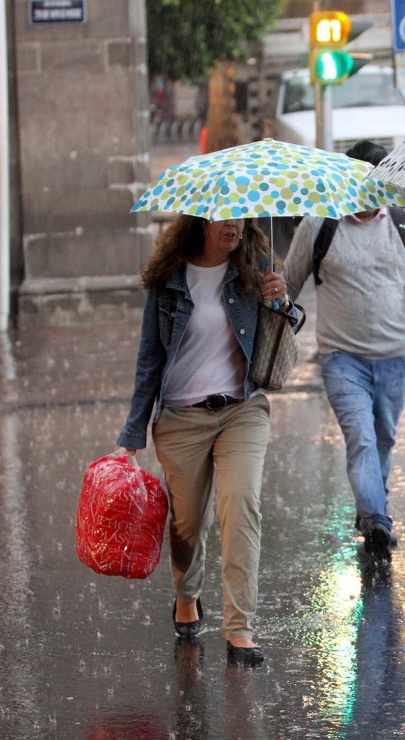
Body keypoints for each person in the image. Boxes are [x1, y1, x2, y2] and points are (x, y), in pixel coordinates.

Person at [116, 215, 300, 666]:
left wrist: (283, 303)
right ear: (201, 222)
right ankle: (187, 593)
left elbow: (286, 329)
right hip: (181, 418)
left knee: (241, 506)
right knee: (187, 523)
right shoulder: (170, 278)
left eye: (240, 216)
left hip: (243, 409)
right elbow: (149, 358)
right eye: (223, 218)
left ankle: (240, 629)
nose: (233, 226)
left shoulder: (256, 264)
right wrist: (132, 434)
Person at [282, 139, 405, 562]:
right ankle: (376, 520)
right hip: (341, 359)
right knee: (362, 440)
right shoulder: (320, 225)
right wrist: (271, 310)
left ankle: (372, 508)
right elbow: (289, 282)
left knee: (384, 439)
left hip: (394, 356)